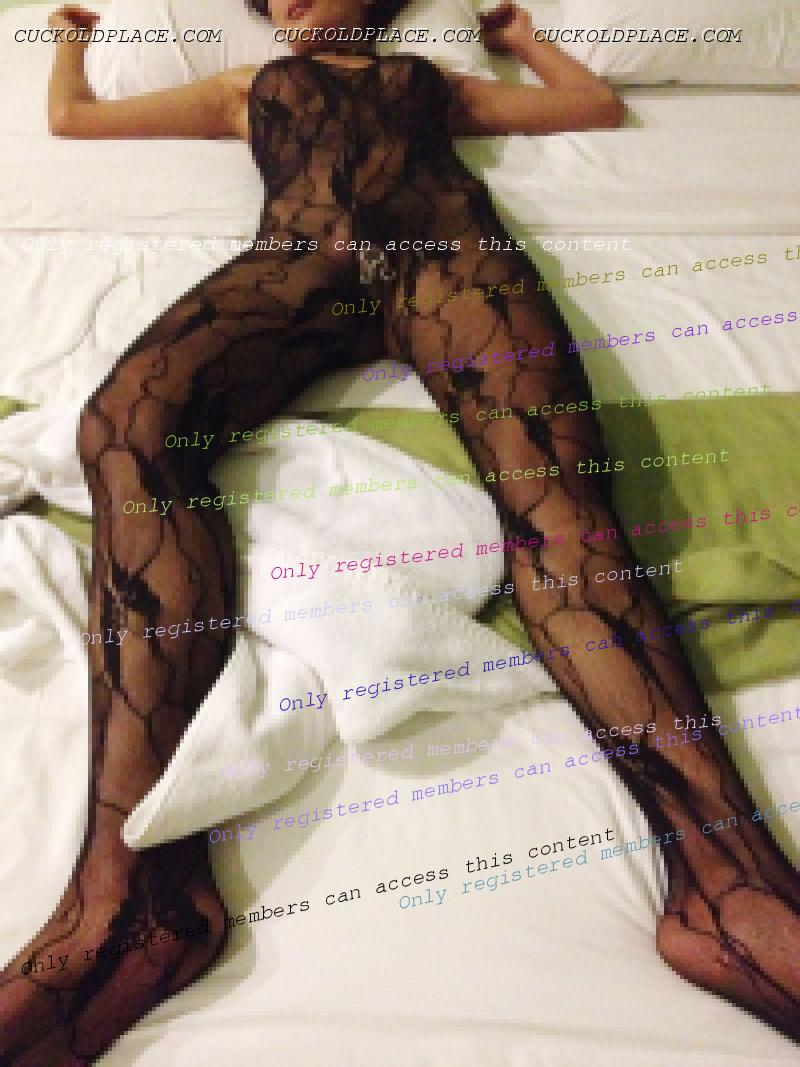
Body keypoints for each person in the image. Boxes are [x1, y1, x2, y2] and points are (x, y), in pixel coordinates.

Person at [2, 1, 798, 1061]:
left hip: (451, 261)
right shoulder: (248, 88)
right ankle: (129, 897)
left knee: (562, 509)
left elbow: (591, 106)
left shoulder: (428, 78)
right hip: (296, 266)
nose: (284, 3)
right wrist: (67, 38)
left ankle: (732, 886)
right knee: (123, 424)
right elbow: (74, 122)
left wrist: (521, 38)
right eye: (267, 0)